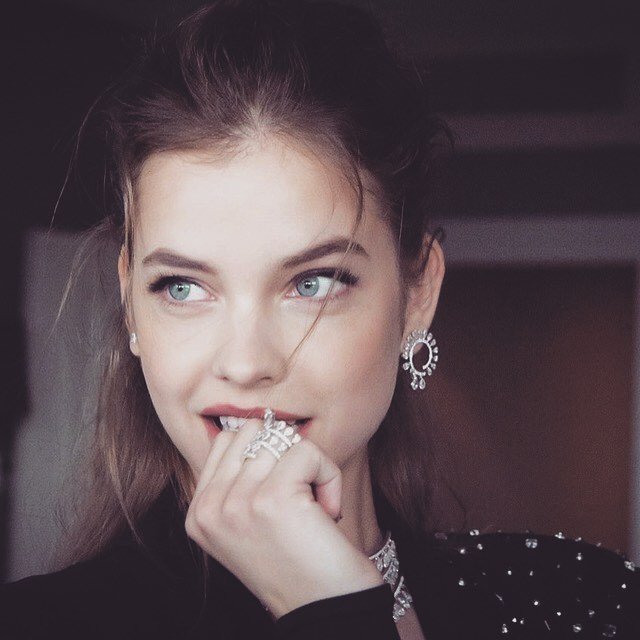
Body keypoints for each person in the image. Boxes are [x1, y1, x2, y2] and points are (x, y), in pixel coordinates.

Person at [2, 1, 638, 638]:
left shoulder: (583, 599)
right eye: (183, 287)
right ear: (130, 301)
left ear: (417, 292)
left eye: (313, 283)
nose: (245, 364)